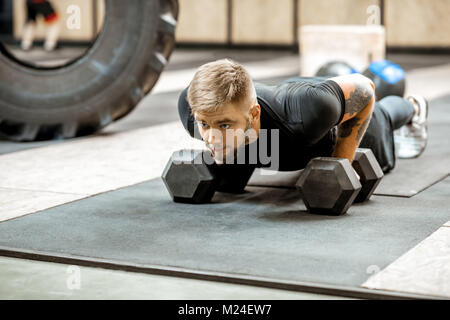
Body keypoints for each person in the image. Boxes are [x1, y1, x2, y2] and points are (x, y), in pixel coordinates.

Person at [177, 59, 428, 176]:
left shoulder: (306, 114)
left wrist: (341, 161)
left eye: (224, 125)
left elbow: (365, 89)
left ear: (254, 115)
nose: (209, 137)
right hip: (307, 97)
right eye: (204, 124)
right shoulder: (192, 110)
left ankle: (413, 107)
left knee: (383, 116)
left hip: (332, 127)